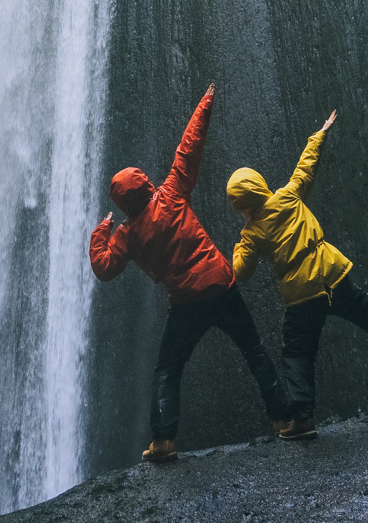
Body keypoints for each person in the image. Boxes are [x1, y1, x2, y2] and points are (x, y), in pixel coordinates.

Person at [91, 82, 289, 463]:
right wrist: (206, 101)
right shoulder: (171, 194)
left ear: (121, 203)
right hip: (221, 283)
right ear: (145, 184)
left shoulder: (127, 238)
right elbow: (189, 147)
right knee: (255, 351)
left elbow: (103, 267)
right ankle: (284, 419)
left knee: (168, 368)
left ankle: (164, 439)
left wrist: (103, 230)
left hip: (186, 303)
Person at [227, 108, 368, 440]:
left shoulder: (252, 234)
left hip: (301, 296)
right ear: (261, 186)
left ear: (243, 205)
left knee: (297, 354)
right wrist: (320, 132)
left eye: (237, 206)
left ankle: (303, 417)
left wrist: (238, 245)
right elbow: (305, 164)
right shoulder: (289, 195)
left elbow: (241, 272)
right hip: (333, 276)